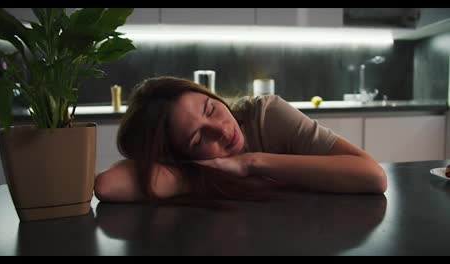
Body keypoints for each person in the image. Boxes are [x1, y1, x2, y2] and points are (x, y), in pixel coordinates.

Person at [94, 76, 387, 204]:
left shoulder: (266, 115)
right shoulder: (195, 165)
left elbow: (372, 176)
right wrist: (197, 172)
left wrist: (251, 163)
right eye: (198, 138)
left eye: (211, 109)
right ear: (181, 155)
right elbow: (107, 185)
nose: (221, 130)